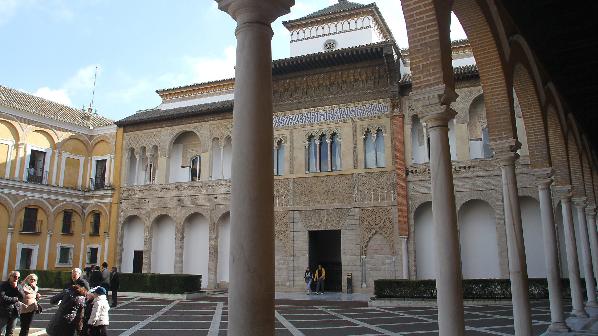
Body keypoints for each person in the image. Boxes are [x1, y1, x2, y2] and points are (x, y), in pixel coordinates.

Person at [0, 271, 22, 336]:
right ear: (10, 277)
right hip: (4, 311)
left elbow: (22, 297)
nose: (16, 279)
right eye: (15, 277)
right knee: (1, 331)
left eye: (18, 277)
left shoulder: (19, 286)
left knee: (10, 332)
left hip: (15, 312)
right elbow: (2, 297)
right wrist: (15, 299)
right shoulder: (3, 285)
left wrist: (16, 288)